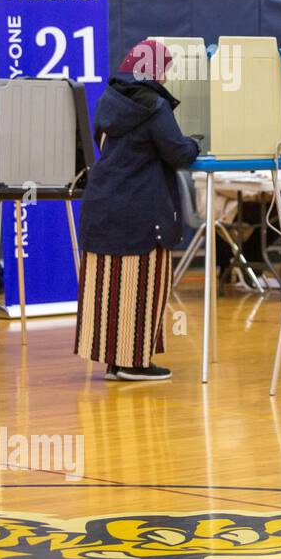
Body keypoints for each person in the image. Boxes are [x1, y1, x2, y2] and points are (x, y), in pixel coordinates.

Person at [75, 40, 201, 381]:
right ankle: (135, 363)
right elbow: (178, 153)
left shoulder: (108, 99)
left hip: (103, 206)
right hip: (141, 211)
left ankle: (116, 361)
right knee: (142, 286)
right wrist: (195, 143)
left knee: (110, 288)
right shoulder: (155, 107)